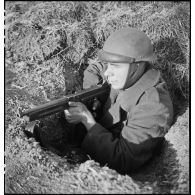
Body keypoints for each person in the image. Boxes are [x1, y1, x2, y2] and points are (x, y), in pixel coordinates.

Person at [63, 27, 174, 174]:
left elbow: (123, 159)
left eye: (114, 66)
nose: (108, 73)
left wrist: (88, 121)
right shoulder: (126, 72)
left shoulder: (153, 106)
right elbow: (95, 68)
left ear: (137, 67)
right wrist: (94, 98)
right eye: (109, 64)